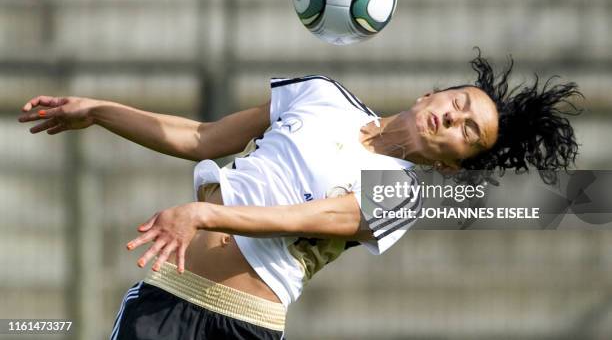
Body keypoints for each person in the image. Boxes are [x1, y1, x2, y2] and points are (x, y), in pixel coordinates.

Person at [18, 50, 581, 339]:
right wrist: (99, 111)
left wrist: (206, 211)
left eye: (469, 132)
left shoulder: (405, 195)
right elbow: (201, 138)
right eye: (459, 103)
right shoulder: (320, 94)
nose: (454, 118)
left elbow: (304, 216)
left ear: (460, 163)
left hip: (243, 325)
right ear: (431, 93)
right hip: (168, 297)